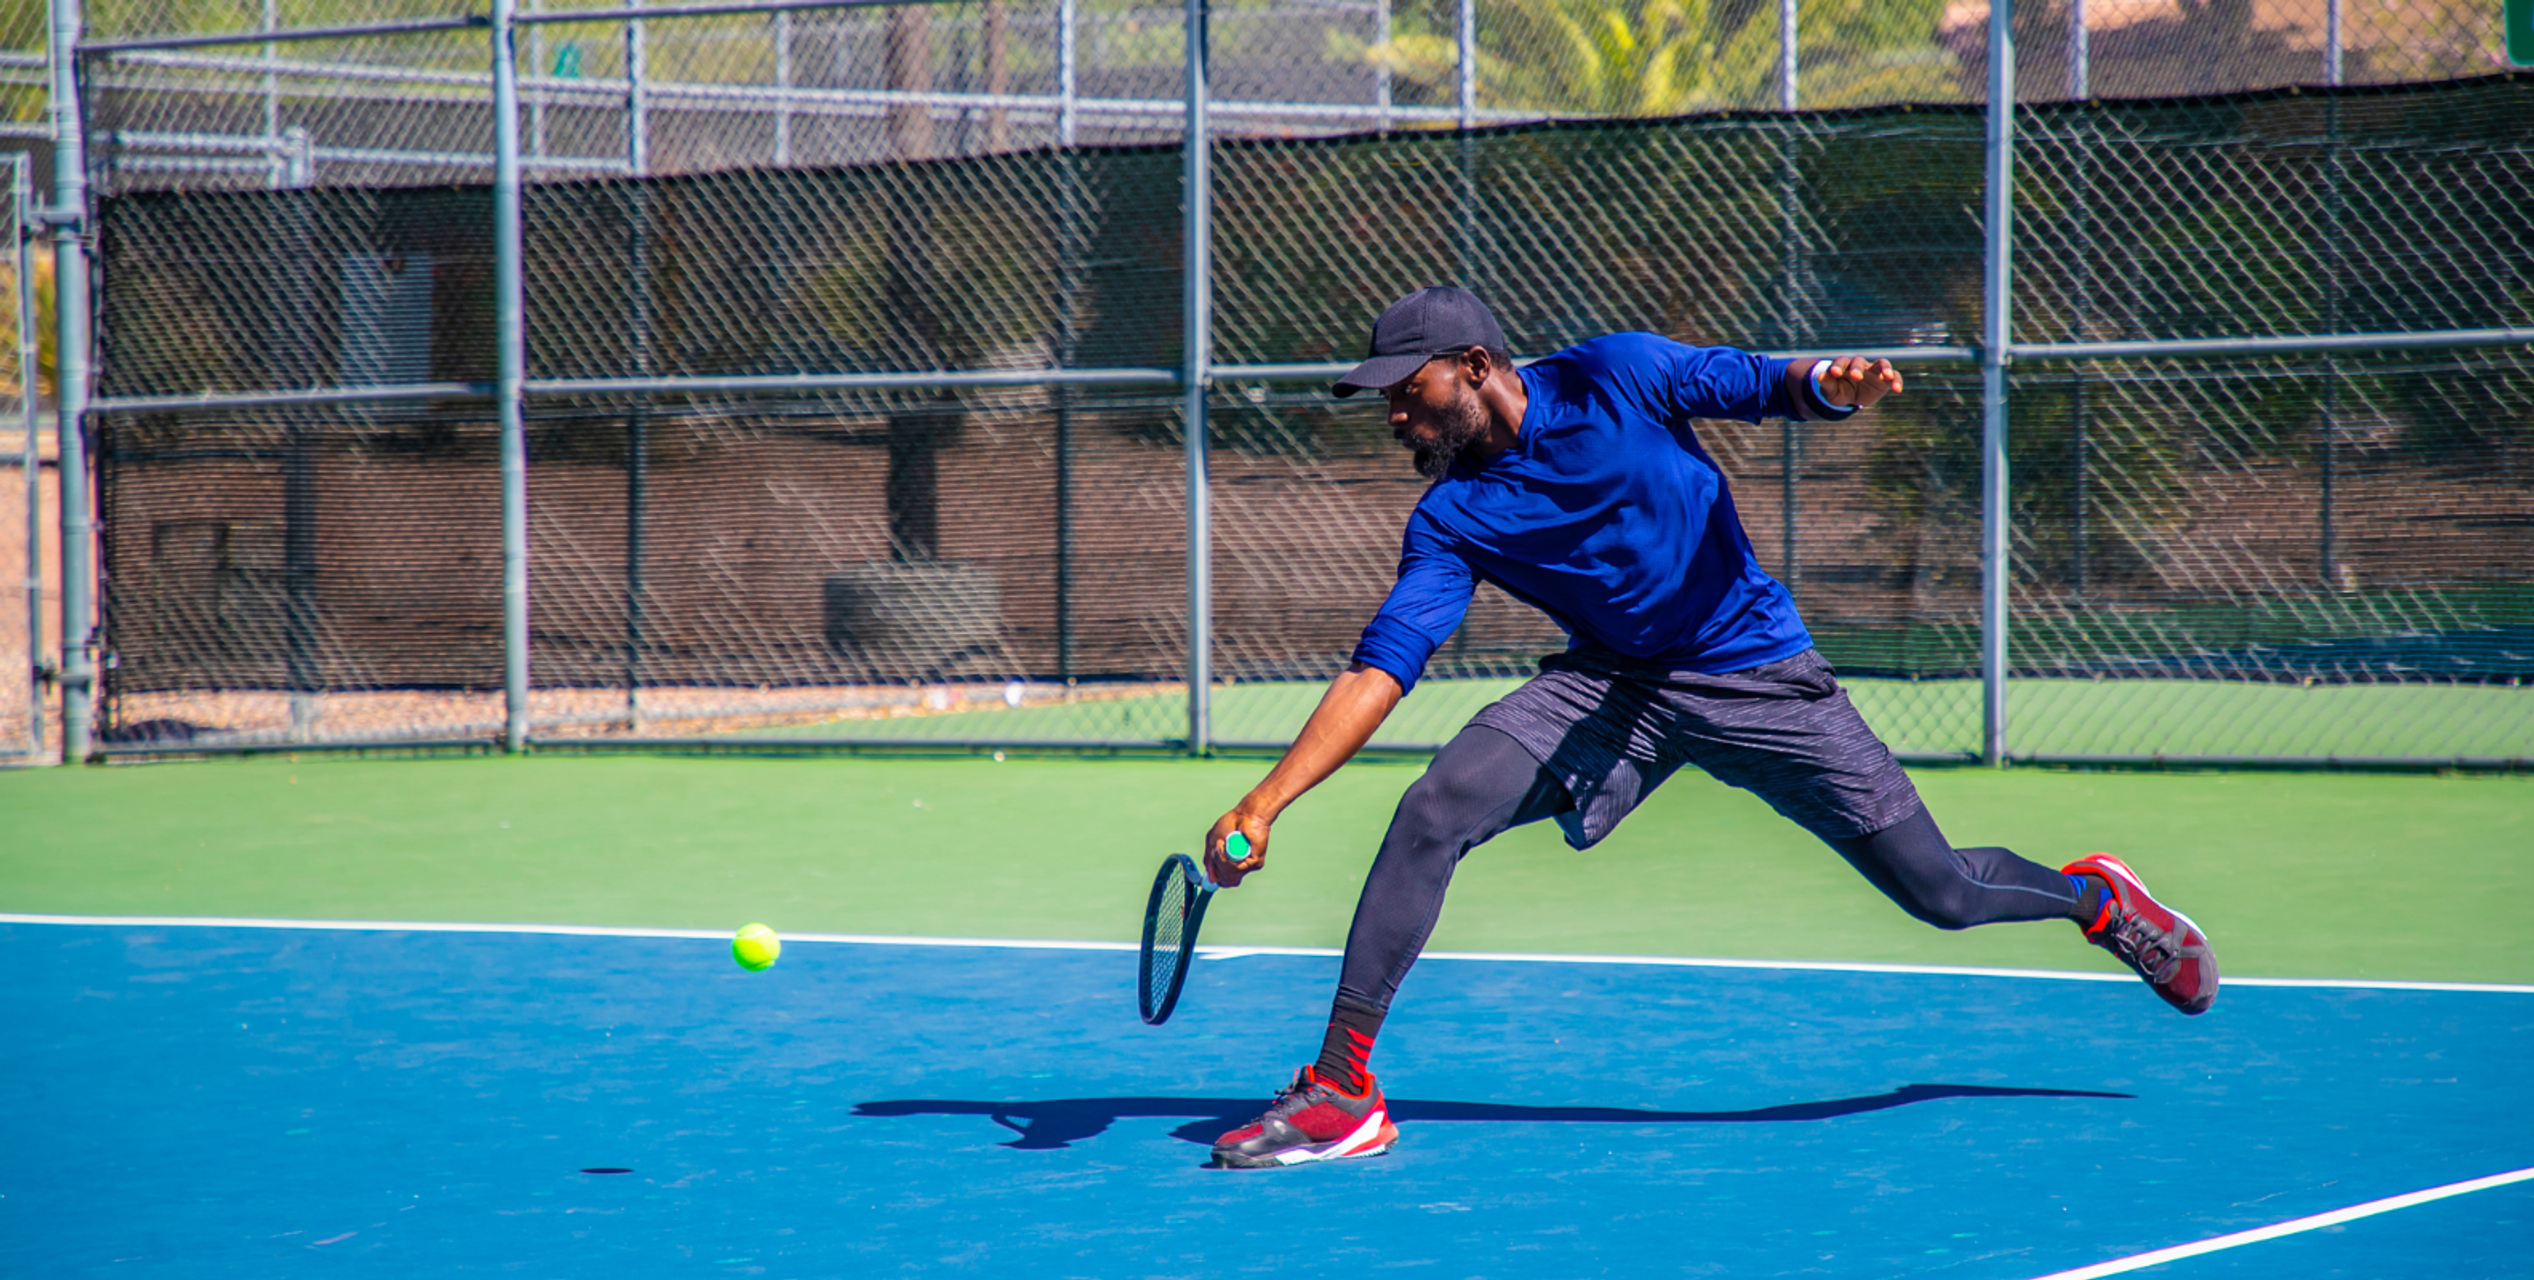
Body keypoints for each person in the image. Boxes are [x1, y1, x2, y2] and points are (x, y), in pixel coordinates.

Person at [1198, 286, 2217, 1171]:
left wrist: (1835, 385)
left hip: (1754, 673)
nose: (1392, 414)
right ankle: (1342, 1088)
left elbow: (1759, 383)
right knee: (1435, 807)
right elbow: (1384, 663)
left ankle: (2095, 899)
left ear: (1472, 366)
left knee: (1941, 892)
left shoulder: (1615, 375)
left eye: (1404, 389)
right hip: (1612, 684)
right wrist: (1265, 799)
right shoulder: (1451, 515)